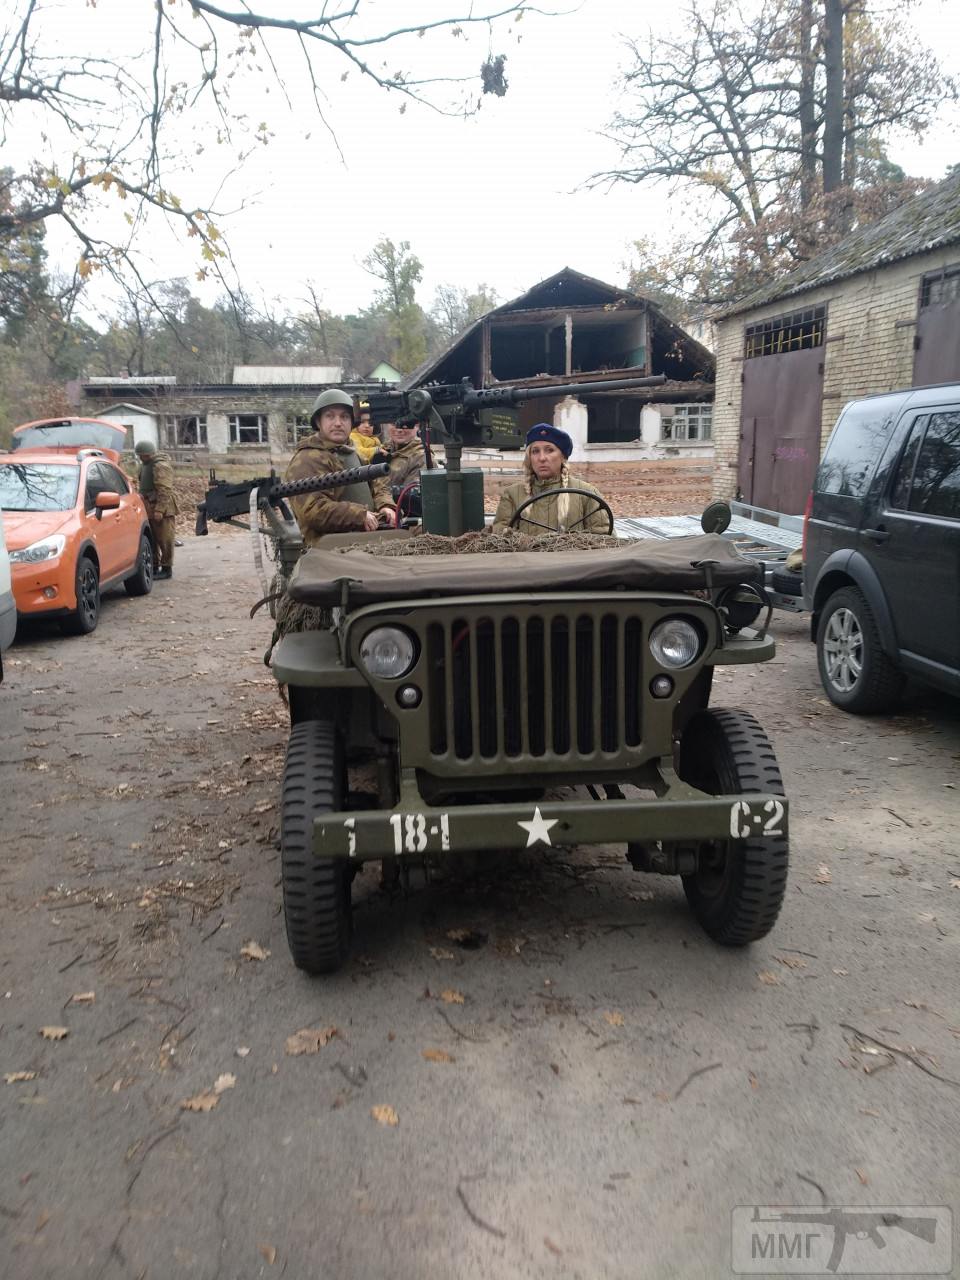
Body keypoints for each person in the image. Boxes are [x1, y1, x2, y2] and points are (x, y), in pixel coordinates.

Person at [285, 388, 395, 545]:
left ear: (352, 423)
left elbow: (377, 484)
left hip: (366, 542)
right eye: (330, 416)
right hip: (328, 550)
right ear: (318, 422)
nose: (338, 423)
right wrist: (358, 515)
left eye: (344, 417)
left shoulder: (352, 452)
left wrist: (386, 505)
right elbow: (313, 510)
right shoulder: (307, 459)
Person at [491, 423, 610, 535]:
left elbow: (603, 537)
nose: (542, 458)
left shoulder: (587, 494)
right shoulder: (512, 495)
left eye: (550, 450)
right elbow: (500, 538)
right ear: (529, 458)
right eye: (535, 451)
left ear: (563, 457)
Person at [134, 439, 179, 578]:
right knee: (151, 539)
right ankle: (153, 566)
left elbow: (165, 490)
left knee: (165, 539)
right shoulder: (145, 466)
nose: (140, 457)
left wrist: (160, 509)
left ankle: (166, 569)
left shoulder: (161, 466)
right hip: (148, 506)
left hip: (162, 508)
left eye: (142, 455)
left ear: (148, 454)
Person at [377, 420, 426, 491]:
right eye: (394, 423)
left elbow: (410, 497)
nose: (399, 429)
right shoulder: (382, 449)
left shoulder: (421, 458)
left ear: (417, 426)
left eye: (405, 424)